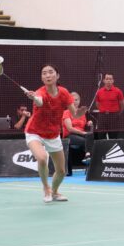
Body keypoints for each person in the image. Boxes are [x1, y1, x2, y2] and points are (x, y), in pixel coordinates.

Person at [24, 64, 87, 203]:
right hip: (34, 132)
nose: (47, 75)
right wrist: (34, 97)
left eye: (50, 72)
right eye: (44, 73)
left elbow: (74, 115)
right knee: (41, 158)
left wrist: (79, 113)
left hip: (53, 134)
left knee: (61, 171)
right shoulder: (40, 92)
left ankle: (55, 191)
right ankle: (46, 187)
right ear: (42, 78)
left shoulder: (64, 93)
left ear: (57, 76)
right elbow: (39, 102)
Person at [62, 92, 94, 164]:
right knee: (88, 141)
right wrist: (83, 133)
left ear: (79, 101)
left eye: (76, 100)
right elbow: (70, 128)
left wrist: (89, 123)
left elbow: (84, 126)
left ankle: (88, 156)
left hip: (81, 134)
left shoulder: (81, 113)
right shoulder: (66, 112)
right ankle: (88, 156)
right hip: (69, 135)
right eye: (72, 100)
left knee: (90, 136)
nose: (75, 102)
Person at [95, 73, 124, 139]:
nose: (108, 80)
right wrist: (103, 109)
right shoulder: (99, 92)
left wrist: (116, 112)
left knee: (113, 136)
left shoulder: (118, 91)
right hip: (102, 116)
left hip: (113, 116)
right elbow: (97, 104)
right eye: (107, 79)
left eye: (110, 79)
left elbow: (122, 104)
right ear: (104, 80)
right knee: (101, 136)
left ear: (113, 81)